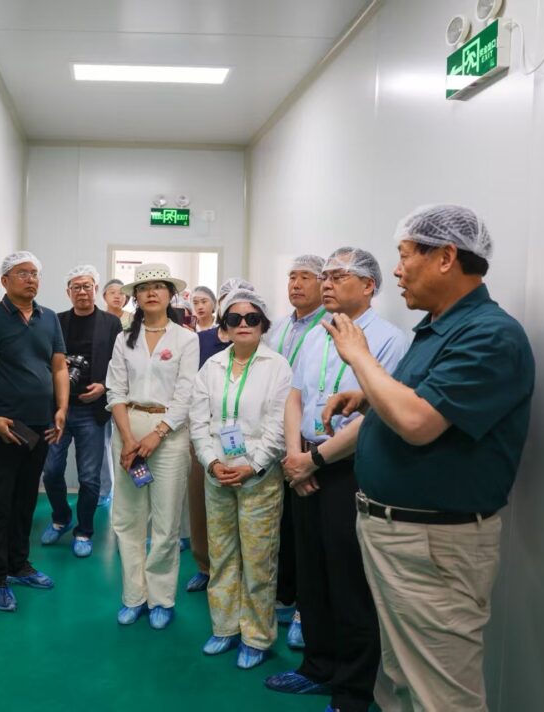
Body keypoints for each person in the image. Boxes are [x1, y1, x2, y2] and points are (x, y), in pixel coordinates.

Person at [322, 205, 534, 711]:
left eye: (404, 256)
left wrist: (359, 357)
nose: (396, 271)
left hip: (433, 545)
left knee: (441, 694)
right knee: (401, 678)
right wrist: (369, 399)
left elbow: (418, 424)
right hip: (401, 537)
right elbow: (422, 401)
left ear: (445, 257)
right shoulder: (438, 327)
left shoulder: (490, 335)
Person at [265, 247, 408, 712]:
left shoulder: (389, 340)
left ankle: (351, 691)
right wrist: (295, 455)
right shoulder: (317, 334)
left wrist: (316, 460)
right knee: (312, 573)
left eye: (338, 276)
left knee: (349, 581)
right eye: (323, 275)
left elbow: (376, 414)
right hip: (304, 459)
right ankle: (317, 668)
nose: (325, 283)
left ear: (368, 286)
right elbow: (295, 396)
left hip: (349, 468)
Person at [190, 289, 292, 669]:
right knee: (221, 554)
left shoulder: (277, 367)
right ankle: (225, 626)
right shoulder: (212, 367)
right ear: (225, 327)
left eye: (252, 318)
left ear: (263, 324)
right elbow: (198, 421)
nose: (244, 324)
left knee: (258, 559)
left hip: (259, 478)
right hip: (217, 473)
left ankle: (257, 636)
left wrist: (254, 465)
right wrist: (211, 462)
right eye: (235, 319)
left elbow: (279, 426)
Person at [0, 251, 69, 612]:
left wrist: (62, 409)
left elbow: (59, 368)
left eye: (35, 274)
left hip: (41, 425)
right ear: (5, 280)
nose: (31, 279)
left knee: (27, 498)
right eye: (23, 273)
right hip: (6, 426)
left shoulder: (49, 319)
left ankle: (18, 564)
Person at [105, 263, 198, 629]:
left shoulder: (185, 339)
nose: (151, 292)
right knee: (127, 518)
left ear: (170, 294)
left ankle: (161, 599)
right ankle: (134, 596)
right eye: (144, 288)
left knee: (166, 520)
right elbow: (115, 391)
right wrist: (129, 439)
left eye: (159, 286)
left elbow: (186, 394)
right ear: (136, 298)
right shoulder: (123, 339)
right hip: (128, 426)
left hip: (169, 433)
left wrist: (157, 434)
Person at [264, 254, 328, 640]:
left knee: (308, 527)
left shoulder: (327, 328)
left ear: (323, 283)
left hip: (308, 439)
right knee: (283, 521)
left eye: (306, 277)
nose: (296, 284)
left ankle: (307, 607)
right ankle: (285, 594)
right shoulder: (281, 326)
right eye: (292, 277)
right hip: (277, 434)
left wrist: (297, 446)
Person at [39, 265, 122, 558]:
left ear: (96, 289)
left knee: (89, 478)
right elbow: (45, 359)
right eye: (76, 287)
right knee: (51, 471)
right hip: (58, 410)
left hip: (92, 411)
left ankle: (84, 531)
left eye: (87, 286)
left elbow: (120, 364)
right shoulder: (56, 321)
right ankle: (61, 517)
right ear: (68, 292)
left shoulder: (111, 323)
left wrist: (105, 387)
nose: (82, 292)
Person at [184, 277, 254, 595]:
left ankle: (242, 570)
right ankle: (205, 566)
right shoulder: (201, 341)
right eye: (227, 299)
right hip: (207, 433)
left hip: (249, 437)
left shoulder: (257, 342)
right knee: (201, 502)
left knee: (245, 505)